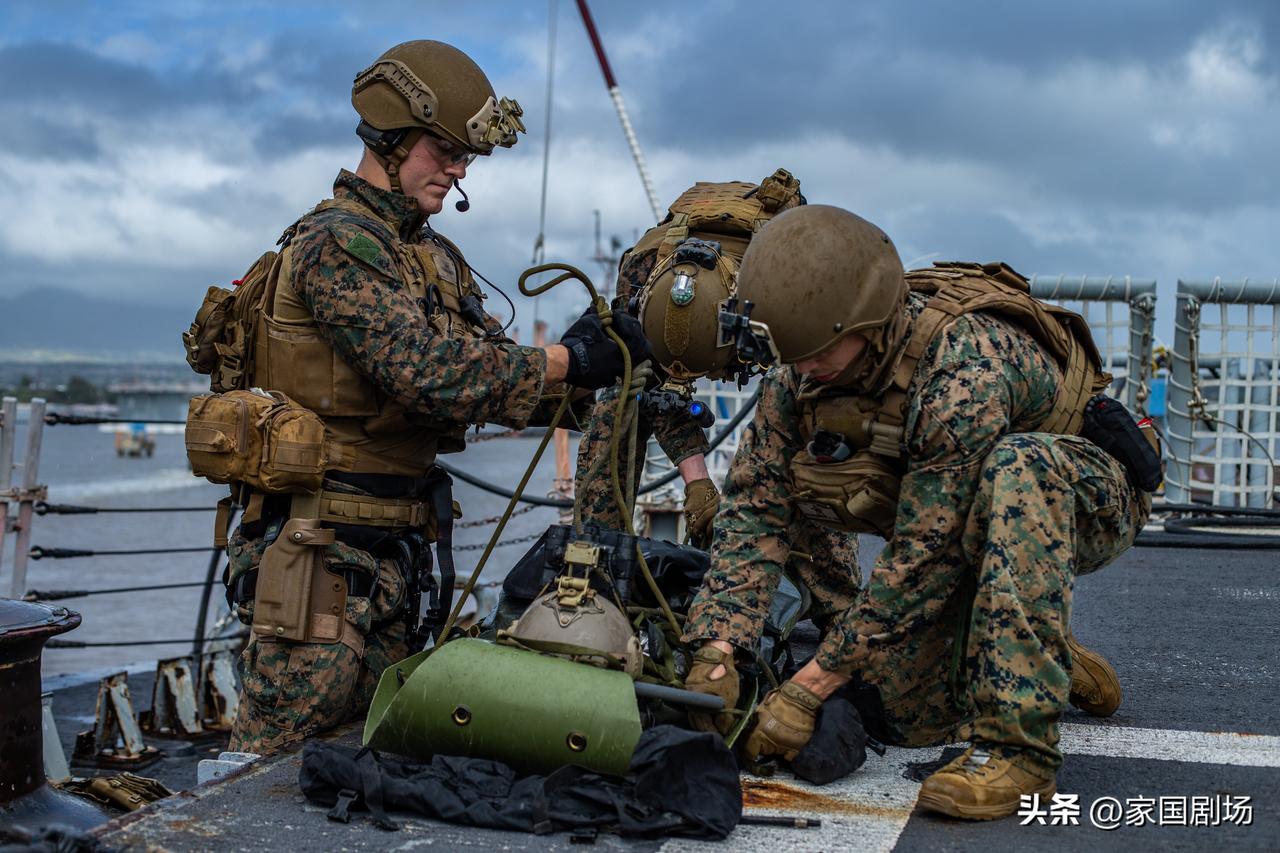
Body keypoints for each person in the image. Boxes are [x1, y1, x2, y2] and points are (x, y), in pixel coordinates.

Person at [185, 40, 649, 755]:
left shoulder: (432, 258)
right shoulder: (336, 245)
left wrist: (605, 366)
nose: (460, 169)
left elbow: (493, 375)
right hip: (318, 558)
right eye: (445, 149)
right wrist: (564, 359)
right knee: (272, 775)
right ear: (392, 137)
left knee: (372, 760)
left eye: (466, 155)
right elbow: (430, 371)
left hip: (394, 557)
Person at [680, 205, 1153, 819]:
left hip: (1082, 497)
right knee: (909, 720)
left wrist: (809, 687)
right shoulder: (800, 371)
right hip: (961, 520)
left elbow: (923, 560)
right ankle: (1031, 644)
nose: (800, 369)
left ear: (867, 319)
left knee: (1019, 466)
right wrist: (720, 649)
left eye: (815, 351)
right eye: (789, 356)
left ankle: (1021, 752)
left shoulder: (961, 368)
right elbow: (756, 507)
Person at [573, 170, 814, 547]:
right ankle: (596, 555)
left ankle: (822, 586)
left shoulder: (789, 287)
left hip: (798, 325)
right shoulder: (641, 277)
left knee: (809, 435)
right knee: (618, 404)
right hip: (655, 305)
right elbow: (654, 388)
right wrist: (698, 483)